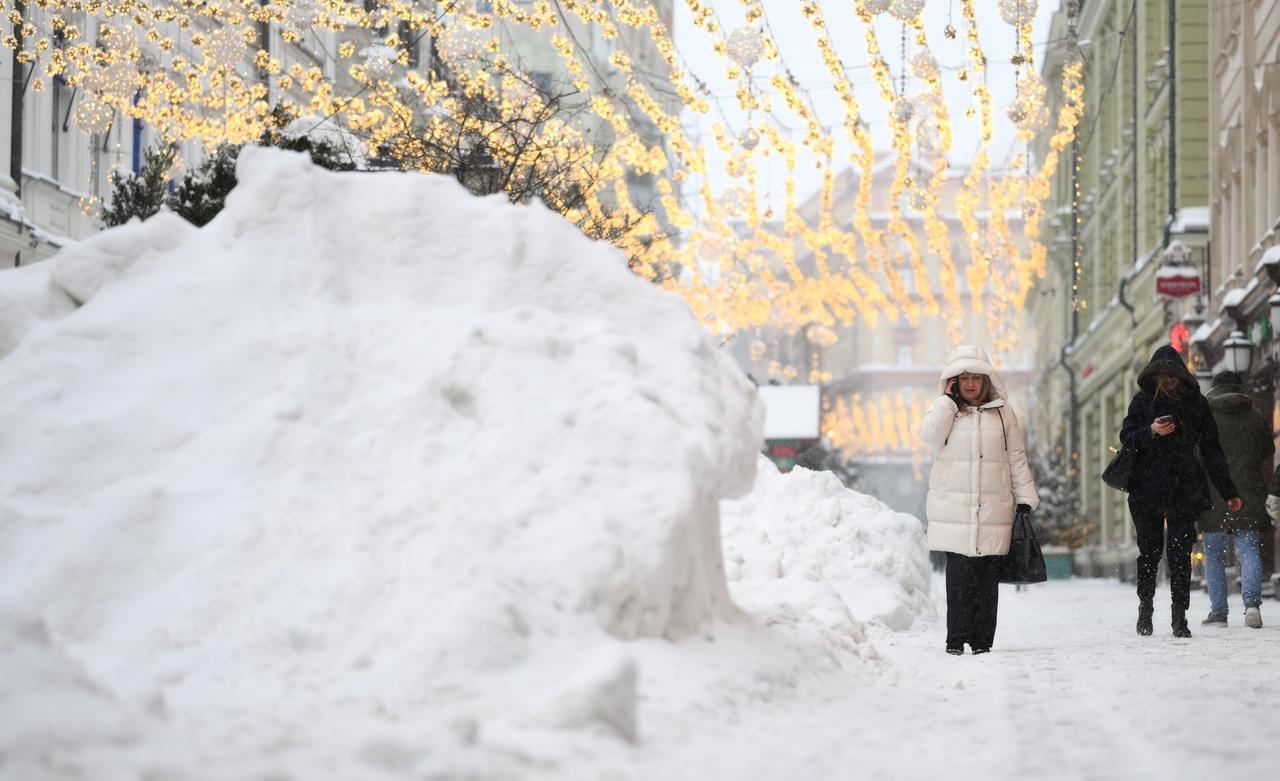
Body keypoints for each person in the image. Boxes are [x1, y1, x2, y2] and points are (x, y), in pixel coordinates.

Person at [918, 345, 1039, 656]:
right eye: (964, 378)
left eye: (976, 377)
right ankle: (955, 640)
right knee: (958, 579)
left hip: (993, 507)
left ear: (987, 380)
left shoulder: (1003, 414)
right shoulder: (944, 410)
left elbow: (1016, 458)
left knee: (986, 580)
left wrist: (1025, 498)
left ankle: (982, 641)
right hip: (953, 509)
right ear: (954, 382)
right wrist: (946, 402)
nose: (970, 384)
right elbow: (929, 437)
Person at [1119, 346, 1240, 639]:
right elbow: (1126, 438)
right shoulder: (1142, 401)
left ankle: (1179, 616)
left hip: (1184, 486)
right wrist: (1151, 431)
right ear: (1154, 377)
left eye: (1171, 375)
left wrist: (1228, 491)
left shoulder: (1196, 404)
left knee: (1180, 553)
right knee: (1149, 552)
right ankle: (1145, 607)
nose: (1167, 381)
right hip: (1146, 488)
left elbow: (1212, 449)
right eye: (1161, 376)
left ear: (1180, 375)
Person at [1197, 371, 1273, 629]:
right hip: (1248, 491)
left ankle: (1219, 612)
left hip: (1214, 492)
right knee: (1249, 549)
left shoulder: (1204, 417)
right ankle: (1252, 605)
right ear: (1239, 388)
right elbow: (1267, 452)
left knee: (1214, 554)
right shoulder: (1256, 416)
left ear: (1214, 388)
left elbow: (1197, 455)